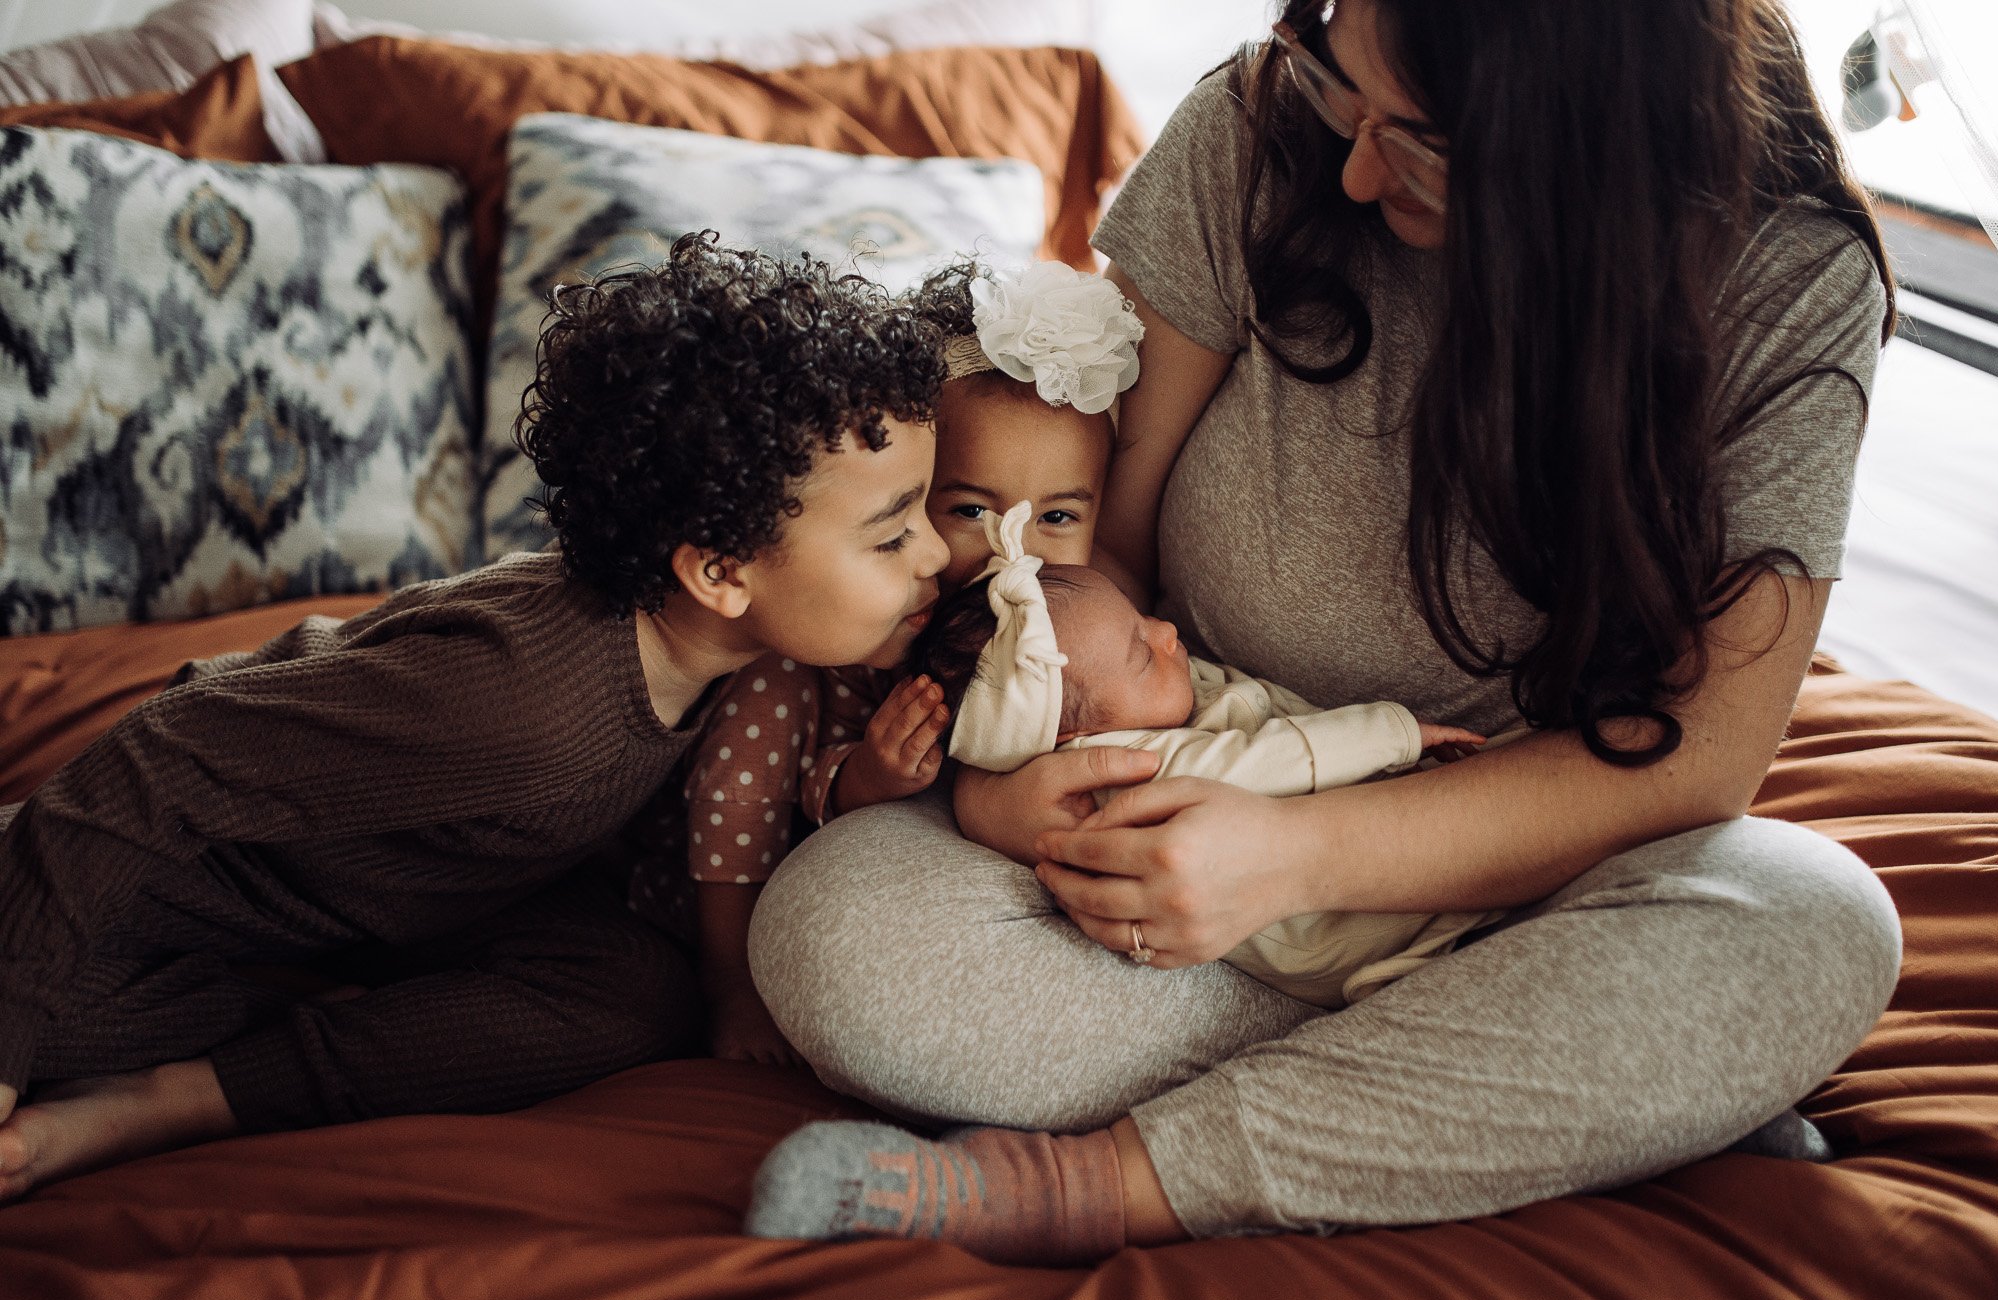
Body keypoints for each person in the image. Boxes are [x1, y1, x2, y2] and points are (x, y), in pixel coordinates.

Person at [742, 0, 1905, 1267]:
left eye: (1421, 142)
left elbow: (1697, 759)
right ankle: (1549, 1091)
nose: (1354, 167)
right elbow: (1097, 555)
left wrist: (1294, 854)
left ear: (1582, 142)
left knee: (1812, 921)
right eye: (1342, 93)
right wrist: (1012, 798)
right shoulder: (1262, 129)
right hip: (1167, 846)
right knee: (830, 933)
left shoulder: (1786, 283)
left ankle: (1090, 1185)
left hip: (1502, 888)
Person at [0, 232, 949, 1198]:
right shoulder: (521, 703)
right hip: (132, 909)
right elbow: (154, 762)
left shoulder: (715, 656)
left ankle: (182, 1095)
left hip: (400, 908)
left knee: (634, 995)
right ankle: (152, 1089)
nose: (935, 556)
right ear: (718, 570)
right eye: (892, 533)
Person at [631, 258, 1145, 1064]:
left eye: (1057, 516)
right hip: (759, 851)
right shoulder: (868, 629)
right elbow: (790, 787)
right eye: (970, 508)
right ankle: (727, 980)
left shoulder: (1085, 620)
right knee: (760, 707)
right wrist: (870, 774)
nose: (1011, 548)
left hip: (946, 876)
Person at [916, 504, 1493, 1008]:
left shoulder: (1148, 703)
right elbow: (1270, 758)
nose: (1166, 631)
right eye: (1142, 653)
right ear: (1074, 739)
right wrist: (1394, 734)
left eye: (1140, 618)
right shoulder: (1134, 771)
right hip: (1342, 926)